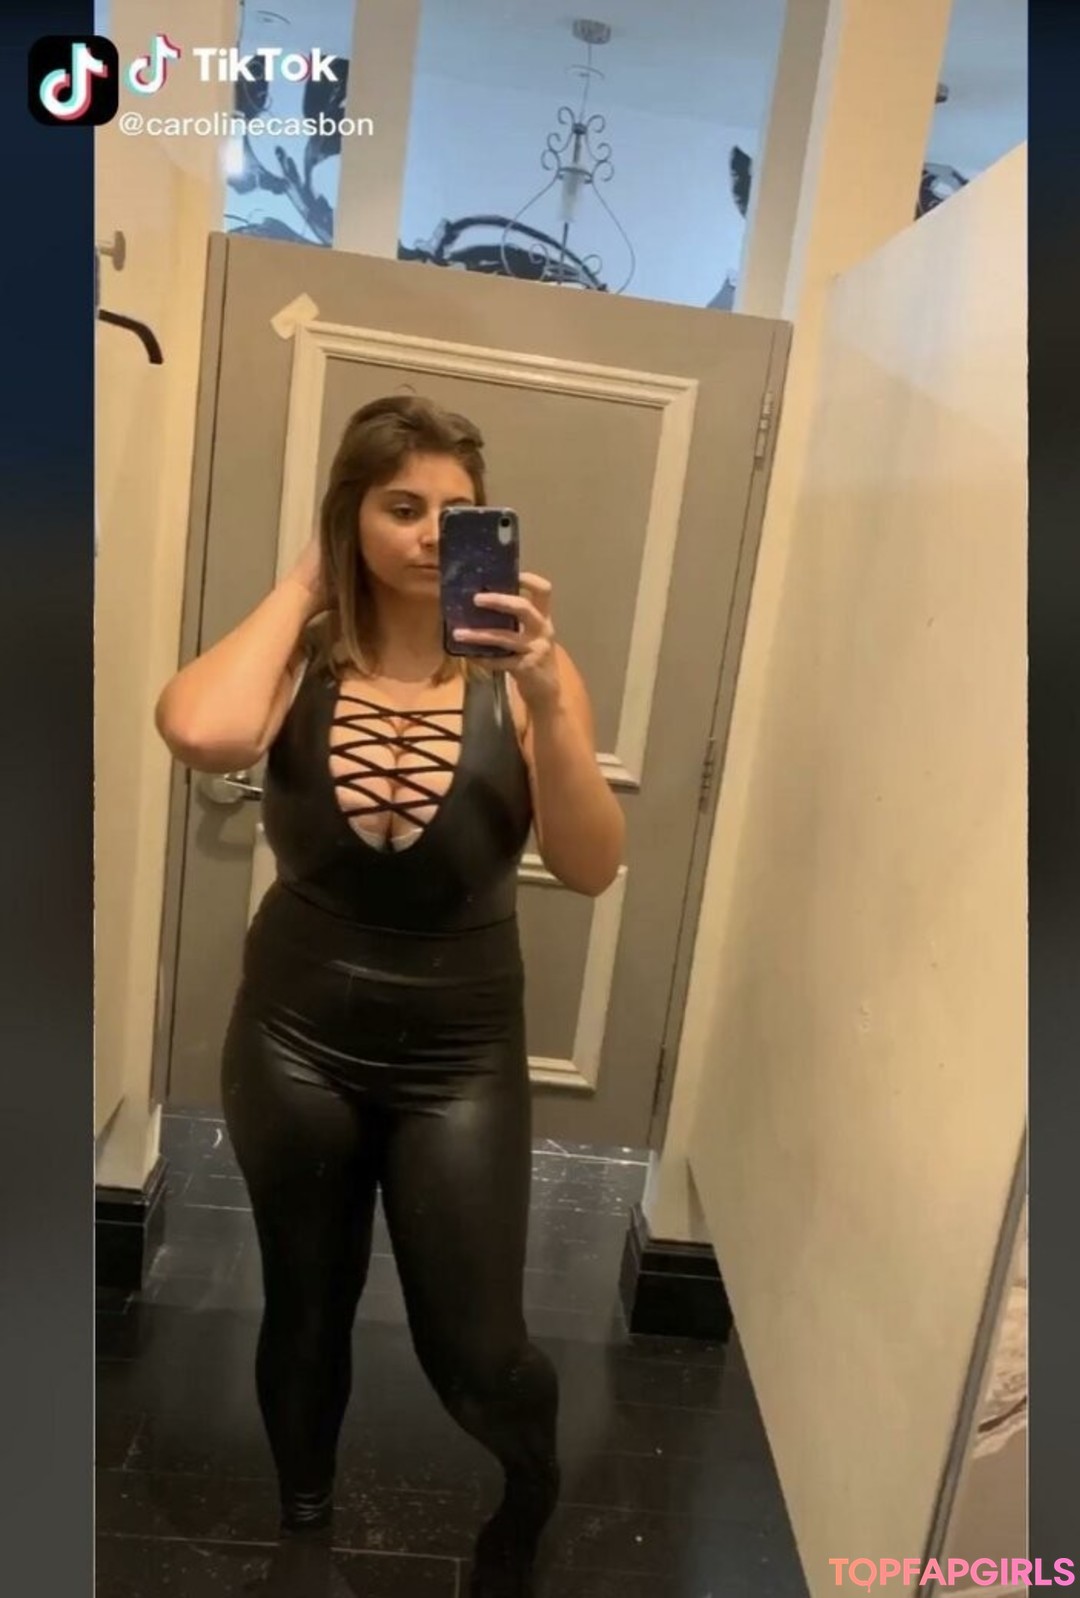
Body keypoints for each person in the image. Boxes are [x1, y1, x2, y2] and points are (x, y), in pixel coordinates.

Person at [154, 394, 626, 1597]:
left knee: (479, 1345)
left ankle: (526, 1491)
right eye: (400, 506)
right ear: (350, 515)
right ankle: (305, 1536)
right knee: (306, 1305)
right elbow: (202, 732)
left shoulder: (526, 672)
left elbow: (589, 863)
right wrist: (304, 581)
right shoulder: (300, 654)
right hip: (294, 1034)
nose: (428, 533)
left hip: (461, 1052)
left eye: (456, 512)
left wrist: (550, 697)